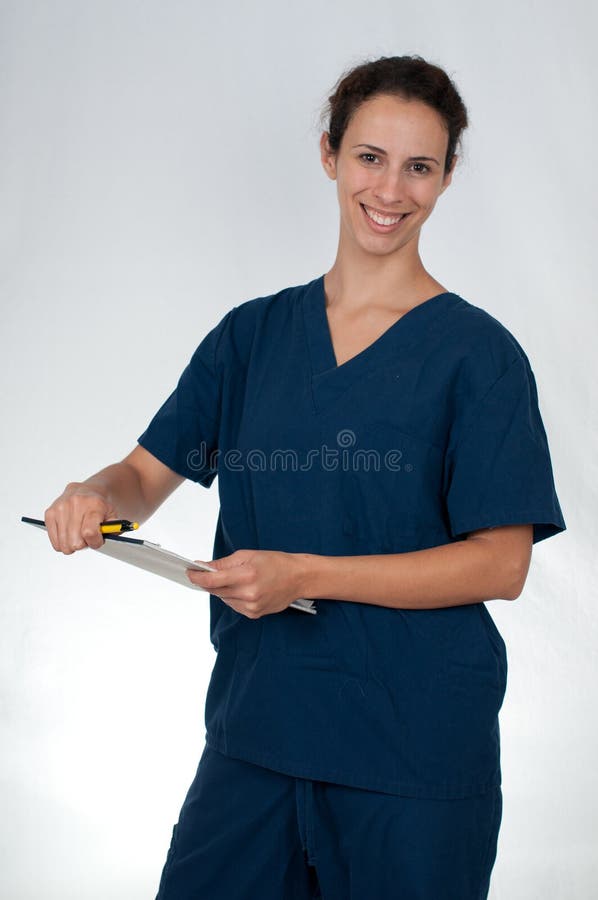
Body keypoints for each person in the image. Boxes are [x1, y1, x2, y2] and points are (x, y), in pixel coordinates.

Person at [44, 54, 566, 900]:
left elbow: (501, 565)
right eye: (369, 157)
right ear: (329, 154)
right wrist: (94, 496)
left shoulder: (480, 357)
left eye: (419, 166)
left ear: (446, 177)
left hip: (413, 754)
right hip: (259, 734)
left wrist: (306, 576)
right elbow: (144, 475)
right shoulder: (251, 339)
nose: (390, 189)